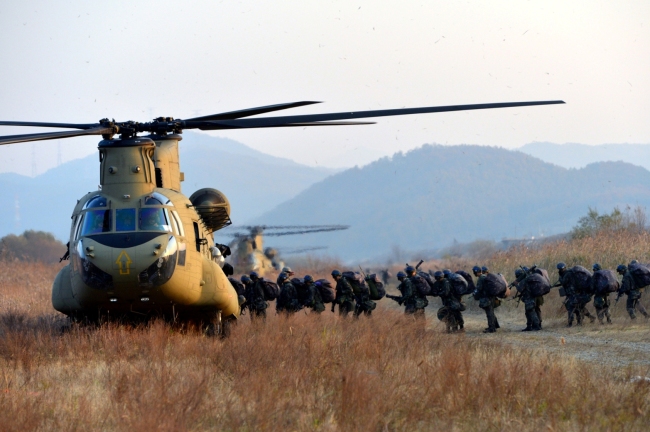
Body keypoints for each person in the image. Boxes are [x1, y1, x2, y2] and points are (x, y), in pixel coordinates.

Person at [473, 265, 499, 333]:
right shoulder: (485, 276)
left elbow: (479, 288)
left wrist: (475, 293)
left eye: (474, 272)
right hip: (491, 297)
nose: (474, 274)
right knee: (491, 311)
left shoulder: (481, 278)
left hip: (487, 298)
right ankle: (495, 325)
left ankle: (492, 328)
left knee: (489, 313)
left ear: (477, 272)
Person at [556, 262, 583, 327]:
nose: (560, 270)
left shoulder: (568, 274)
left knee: (570, 308)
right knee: (576, 308)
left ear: (564, 268)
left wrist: (560, 278)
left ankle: (570, 323)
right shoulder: (569, 273)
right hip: (574, 293)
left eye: (561, 269)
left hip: (572, 294)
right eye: (559, 269)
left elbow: (563, 282)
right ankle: (579, 322)